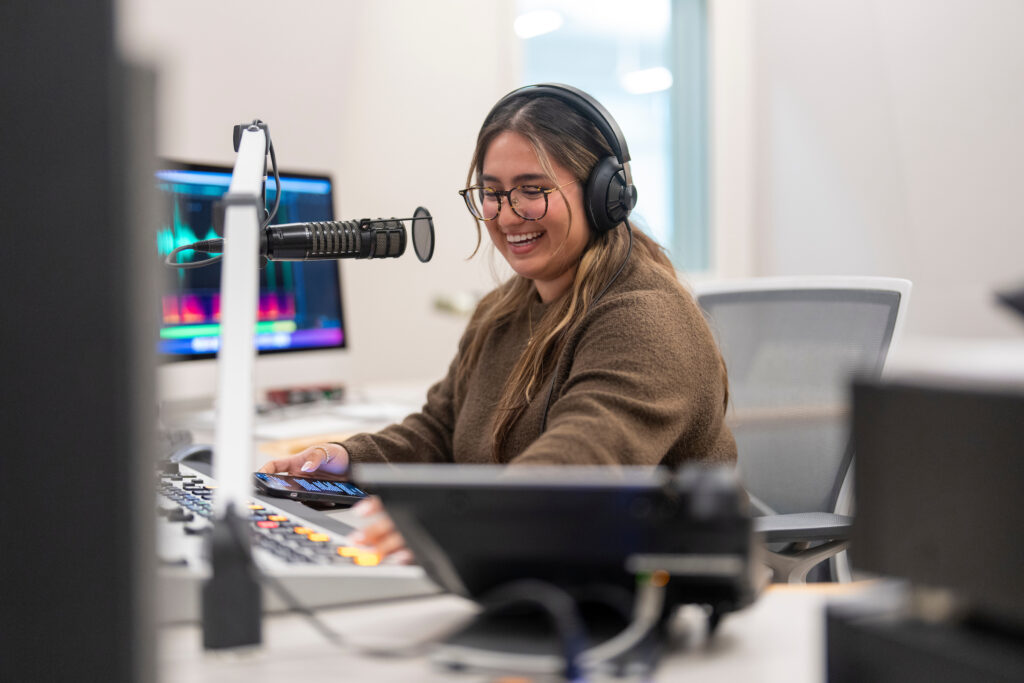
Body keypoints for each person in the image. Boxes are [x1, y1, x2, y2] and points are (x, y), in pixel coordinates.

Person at [259, 84, 736, 560]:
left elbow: (586, 459)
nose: (506, 215)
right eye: (491, 193)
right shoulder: (504, 309)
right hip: (532, 573)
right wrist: (344, 459)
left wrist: (465, 516)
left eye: (532, 189)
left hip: (642, 594)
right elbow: (441, 431)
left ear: (602, 194)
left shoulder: (645, 318)